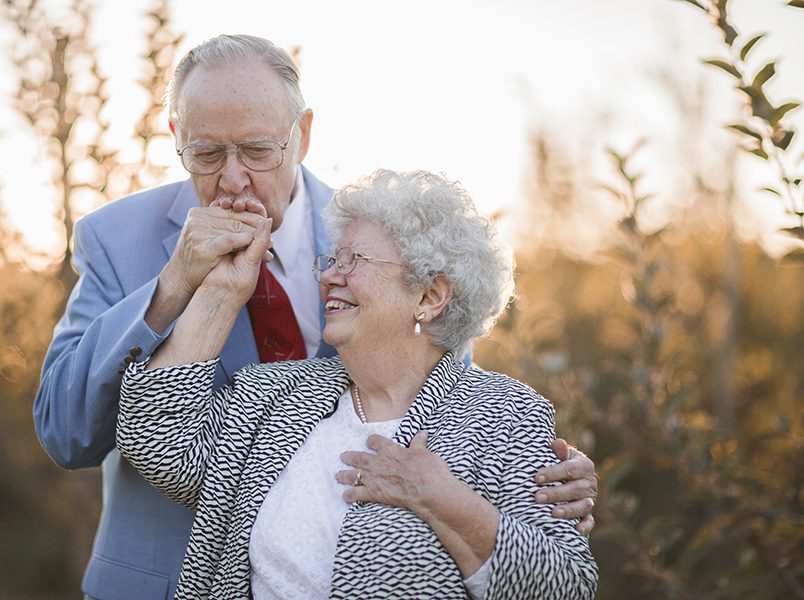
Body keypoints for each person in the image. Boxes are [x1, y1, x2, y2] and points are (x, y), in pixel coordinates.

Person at [33, 34, 597, 600]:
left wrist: (532, 481)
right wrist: (174, 285)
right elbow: (66, 433)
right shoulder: (113, 238)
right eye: (206, 154)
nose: (232, 180)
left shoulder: (380, 226)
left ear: (301, 135)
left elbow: (446, 393)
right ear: (177, 138)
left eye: (258, 151)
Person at [117, 169, 598, 599]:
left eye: (353, 261)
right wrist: (221, 289)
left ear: (429, 296)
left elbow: (566, 585)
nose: (328, 277)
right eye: (331, 260)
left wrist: (442, 498)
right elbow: (153, 438)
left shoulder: (504, 413)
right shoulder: (272, 395)